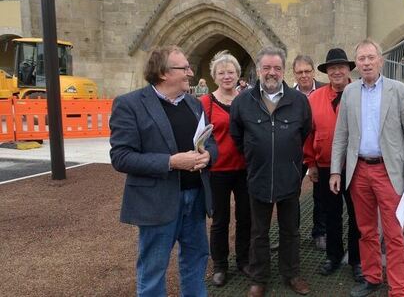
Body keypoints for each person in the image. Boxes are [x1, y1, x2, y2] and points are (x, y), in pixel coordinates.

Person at [109, 45, 217, 297]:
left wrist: (208, 155)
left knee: (196, 261)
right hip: (157, 202)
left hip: (195, 198)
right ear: (164, 73)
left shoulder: (193, 104)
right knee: (153, 269)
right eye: (184, 68)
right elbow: (121, 157)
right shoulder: (130, 104)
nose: (190, 72)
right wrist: (171, 162)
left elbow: (209, 142)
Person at [330, 38, 404, 297]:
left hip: (388, 171)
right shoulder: (350, 92)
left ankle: (398, 289)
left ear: (381, 60)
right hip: (358, 171)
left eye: (371, 57)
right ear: (356, 64)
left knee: (393, 233)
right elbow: (341, 135)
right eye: (362, 58)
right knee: (366, 230)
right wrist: (336, 170)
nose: (367, 62)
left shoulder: (399, 90)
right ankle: (372, 277)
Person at [230, 46, 312, 297]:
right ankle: (258, 278)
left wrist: (290, 162)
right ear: (258, 70)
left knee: (290, 230)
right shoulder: (243, 101)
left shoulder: (299, 101)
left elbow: (305, 131)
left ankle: (292, 273)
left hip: (289, 178)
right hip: (258, 177)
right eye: (266, 68)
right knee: (258, 232)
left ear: (283, 70)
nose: (272, 73)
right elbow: (237, 136)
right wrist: (257, 157)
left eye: (277, 68)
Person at [303, 48, 362, 281]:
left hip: (357, 165)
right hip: (326, 165)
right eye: (332, 68)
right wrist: (311, 163)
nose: (337, 71)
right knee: (331, 213)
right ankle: (334, 256)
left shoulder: (360, 93)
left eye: (341, 67)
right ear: (327, 72)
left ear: (349, 70)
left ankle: (357, 260)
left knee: (358, 215)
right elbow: (308, 133)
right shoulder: (314, 99)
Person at [200, 51, 250, 287]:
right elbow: (199, 136)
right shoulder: (205, 103)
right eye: (222, 73)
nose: (227, 76)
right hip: (218, 170)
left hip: (245, 168)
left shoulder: (248, 99)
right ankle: (220, 265)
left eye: (231, 72)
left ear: (238, 74)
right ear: (214, 76)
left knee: (245, 216)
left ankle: (244, 259)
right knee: (220, 220)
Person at [292, 54, 327, 250]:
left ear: (313, 71)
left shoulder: (324, 90)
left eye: (307, 71)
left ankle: (320, 232)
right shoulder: (287, 94)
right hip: (295, 152)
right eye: (299, 72)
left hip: (319, 150)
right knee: (291, 194)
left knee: (320, 194)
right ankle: (292, 233)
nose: (304, 75)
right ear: (294, 74)